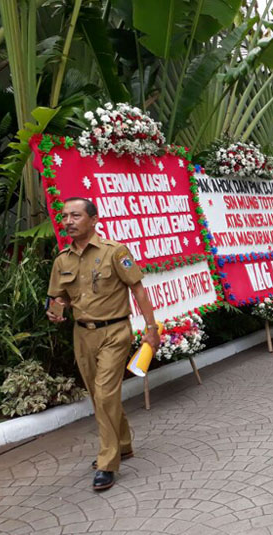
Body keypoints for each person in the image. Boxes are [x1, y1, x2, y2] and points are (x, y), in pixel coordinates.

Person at [46, 197, 160, 492]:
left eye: (75, 215)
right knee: (100, 396)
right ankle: (123, 444)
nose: (68, 221)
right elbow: (60, 297)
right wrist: (56, 308)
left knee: (104, 393)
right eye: (65, 216)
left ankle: (107, 462)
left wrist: (151, 330)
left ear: (93, 220)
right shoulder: (62, 260)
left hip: (115, 331)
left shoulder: (115, 252)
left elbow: (138, 290)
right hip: (82, 334)